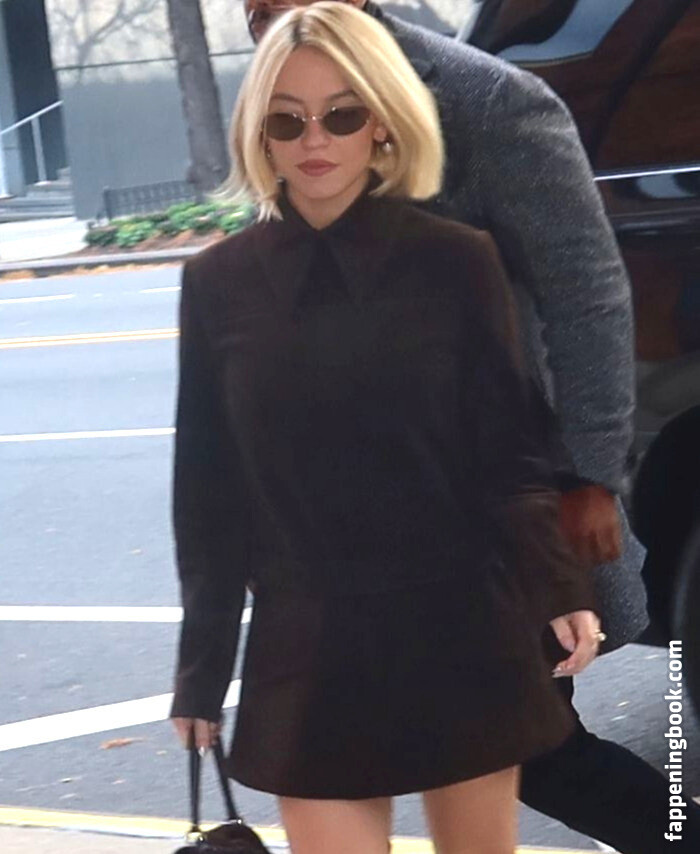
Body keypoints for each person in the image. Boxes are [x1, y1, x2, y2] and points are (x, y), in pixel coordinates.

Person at [235, 3, 700, 854]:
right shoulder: (286, 94)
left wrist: (585, 482)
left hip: (487, 512)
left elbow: (587, 296)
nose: (263, 17)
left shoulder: (484, 101)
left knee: (537, 756)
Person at [169, 4, 605, 853]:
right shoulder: (217, 284)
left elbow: (511, 451)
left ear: (380, 122)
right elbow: (208, 493)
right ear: (258, 135)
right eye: (286, 120)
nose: (314, 139)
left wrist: (561, 588)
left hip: (462, 628)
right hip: (308, 648)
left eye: (341, 114)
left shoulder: (459, 260)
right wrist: (201, 671)